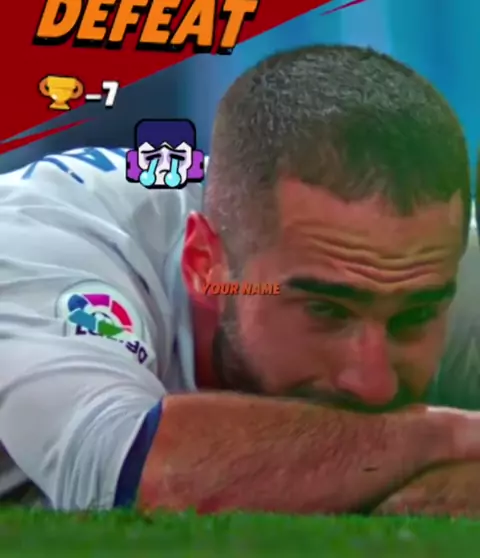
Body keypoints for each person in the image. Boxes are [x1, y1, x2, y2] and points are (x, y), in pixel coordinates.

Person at [0, 45, 480, 516]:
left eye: (415, 317)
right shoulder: (40, 249)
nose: (373, 384)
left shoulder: (432, 260)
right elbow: (146, 476)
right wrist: (444, 438)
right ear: (206, 265)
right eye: (325, 311)